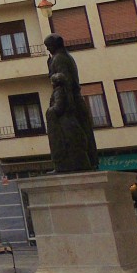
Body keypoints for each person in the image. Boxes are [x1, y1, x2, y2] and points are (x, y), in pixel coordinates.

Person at [43, 34, 98, 173]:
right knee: (80, 133)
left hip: (67, 101)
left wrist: (52, 75)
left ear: (55, 45)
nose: (48, 48)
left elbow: (63, 77)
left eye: (49, 45)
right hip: (72, 100)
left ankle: (68, 165)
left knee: (69, 136)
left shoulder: (59, 58)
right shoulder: (66, 57)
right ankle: (86, 163)